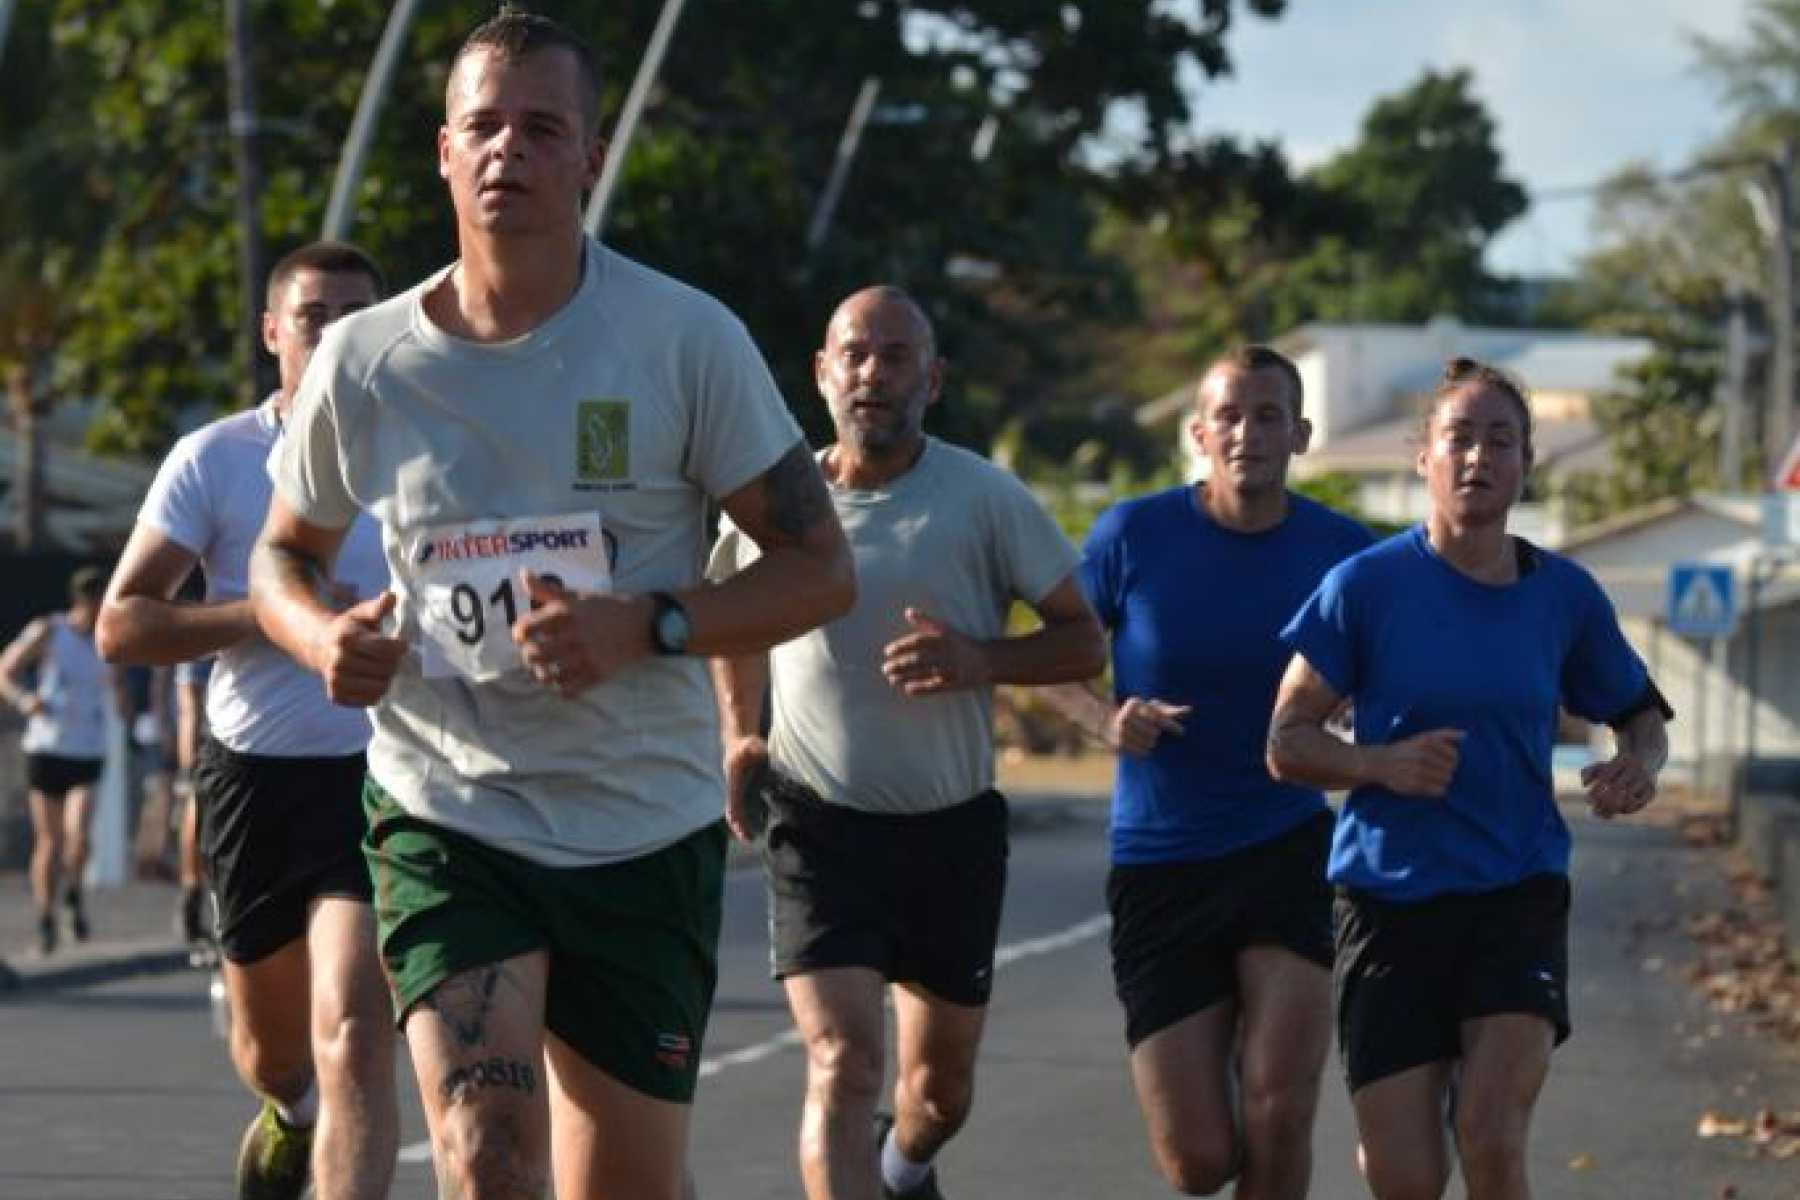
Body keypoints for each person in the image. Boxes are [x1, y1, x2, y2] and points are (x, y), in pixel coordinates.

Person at [247, 9, 855, 1198]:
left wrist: (652, 623)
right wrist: (325, 635)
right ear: (441, 151)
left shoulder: (683, 339)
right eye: (482, 125)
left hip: (641, 823)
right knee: (484, 1153)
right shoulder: (365, 363)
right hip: (447, 808)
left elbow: (820, 568)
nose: (506, 151)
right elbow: (281, 557)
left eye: (541, 128)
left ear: (587, 154)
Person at [709, 285, 1106, 1200]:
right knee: (844, 1061)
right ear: (820, 373)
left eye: (894, 359)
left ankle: (901, 1168)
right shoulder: (774, 507)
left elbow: (1082, 639)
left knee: (938, 1093)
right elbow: (730, 621)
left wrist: (979, 657)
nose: (871, 375)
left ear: (932, 380)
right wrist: (740, 736)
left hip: (950, 831)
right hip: (817, 825)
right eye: (853, 355)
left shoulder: (983, 497)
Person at [1266, 357, 1672, 1200]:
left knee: (1490, 1135)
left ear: (1525, 463)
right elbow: (1287, 740)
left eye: (1501, 441)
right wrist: (1378, 764)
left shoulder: (1563, 595)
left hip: (1515, 894)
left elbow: (1640, 713)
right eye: (1460, 438)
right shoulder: (1364, 588)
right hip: (1388, 905)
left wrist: (1638, 765)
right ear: (1425, 458)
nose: (1479, 457)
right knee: (1404, 1180)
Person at [96, 239, 396, 1200]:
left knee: (352, 1027)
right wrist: (273, 616)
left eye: (357, 319)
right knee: (274, 1055)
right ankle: (288, 1117)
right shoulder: (216, 458)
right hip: (255, 782)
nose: (336, 336)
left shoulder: (426, 455)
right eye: (315, 318)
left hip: (386, 777)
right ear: (274, 332)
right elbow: (121, 624)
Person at [1044, 346, 1371, 1198]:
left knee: (1280, 1106)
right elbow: (1059, 653)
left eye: (1268, 416)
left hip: (1289, 846)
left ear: (1300, 433)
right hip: (1162, 863)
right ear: (1199, 433)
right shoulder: (1133, 535)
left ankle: (1254, 1056)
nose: (1247, 433)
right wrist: (1106, 721)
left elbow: (1400, 671)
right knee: (1198, 1163)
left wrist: (1360, 723)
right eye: (1228, 415)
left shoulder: (1345, 555)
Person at [0, 566, 125, 955]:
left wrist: (123, 703)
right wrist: (25, 700)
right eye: (96, 601)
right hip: (47, 746)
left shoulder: (108, 639)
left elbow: (118, 687)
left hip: (87, 747)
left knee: (79, 833)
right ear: (82, 600)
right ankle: (45, 916)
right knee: (50, 841)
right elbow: (5, 670)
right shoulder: (50, 630)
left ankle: (73, 892)